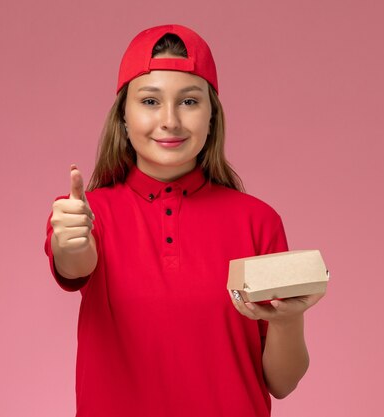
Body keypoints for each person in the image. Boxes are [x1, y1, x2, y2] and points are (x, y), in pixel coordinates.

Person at [44, 24, 324, 417]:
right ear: (123, 116)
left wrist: (290, 319)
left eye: (190, 102)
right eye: (150, 101)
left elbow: (283, 381)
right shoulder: (87, 215)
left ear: (212, 116)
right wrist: (69, 241)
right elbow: (75, 262)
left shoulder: (258, 221)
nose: (170, 120)